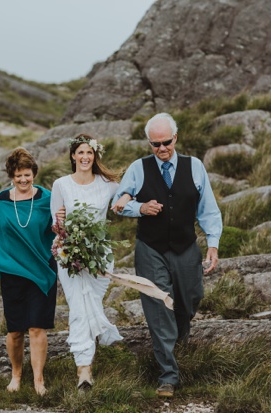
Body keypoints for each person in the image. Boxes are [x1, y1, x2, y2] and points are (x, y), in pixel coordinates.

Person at [111, 112, 223, 398]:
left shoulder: (194, 166)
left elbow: (208, 209)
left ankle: (180, 343)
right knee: (159, 306)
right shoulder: (138, 168)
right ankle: (168, 376)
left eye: (166, 142)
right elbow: (119, 202)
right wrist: (140, 208)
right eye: (155, 144)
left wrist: (213, 244)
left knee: (190, 298)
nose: (161, 149)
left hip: (186, 247)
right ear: (149, 143)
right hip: (151, 249)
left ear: (176, 137)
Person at [0, 147, 57, 397]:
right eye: (18, 176)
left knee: (37, 327)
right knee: (15, 330)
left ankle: (39, 381)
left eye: (27, 175)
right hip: (12, 273)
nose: (23, 180)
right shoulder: (1, 200)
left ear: (34, 174)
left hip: (42, 269)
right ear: (11, 175)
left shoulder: (46, 198)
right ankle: (16, 374)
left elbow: (58, 229)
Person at [50, 134, 125, 390]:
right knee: (79, 308)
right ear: (73, 156)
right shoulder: (61, 184)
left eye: (89, 153)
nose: (85, 158)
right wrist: (59, 224)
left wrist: (127, 200)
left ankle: (89, 355)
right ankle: (84, 370)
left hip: (99, 255)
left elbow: (129, 194)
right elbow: (56, 224)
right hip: (69, 254)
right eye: (80, 153)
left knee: (91, 302)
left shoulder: (109, 185)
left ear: (95, 155)